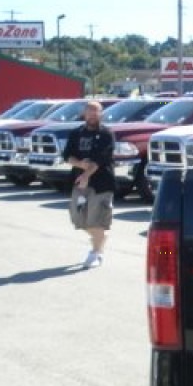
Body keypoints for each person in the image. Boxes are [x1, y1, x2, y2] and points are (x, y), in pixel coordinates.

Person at [62, 100, 116, 269]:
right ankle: (100, 238)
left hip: (101, 184)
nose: (93, 115)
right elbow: (67, 156)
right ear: (84, 114)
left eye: (96, 112)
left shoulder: (107, 134)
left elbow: (101, 159)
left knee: (94, 220)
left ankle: (96, 253)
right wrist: (81, 166)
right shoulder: (76, 133)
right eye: (89, 111)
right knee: (78, 219)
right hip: (79, 182)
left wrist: (86, 174)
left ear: (101, 114)